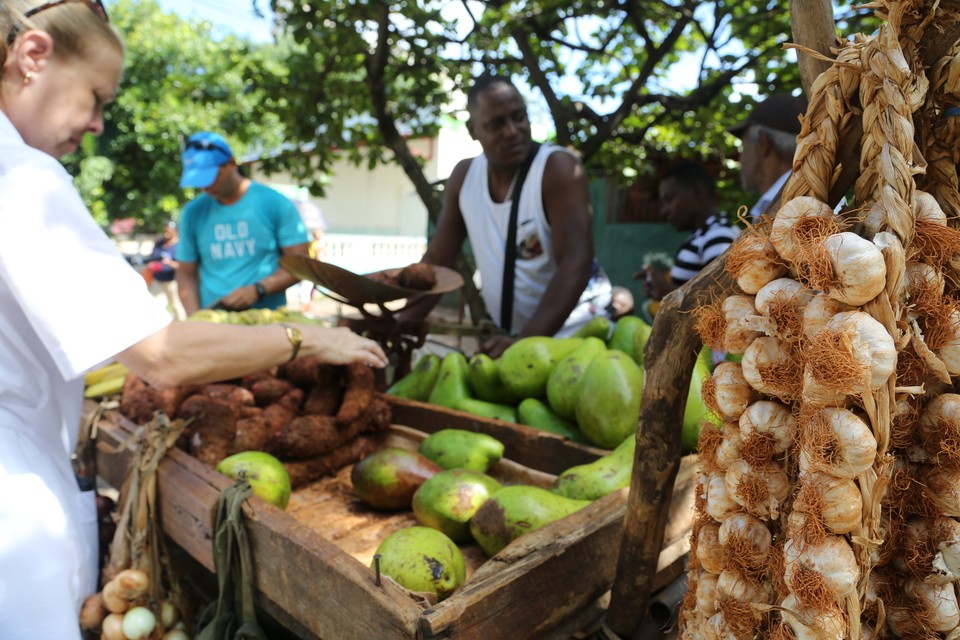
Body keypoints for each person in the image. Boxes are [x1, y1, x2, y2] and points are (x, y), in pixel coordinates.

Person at [0, 4, 387, 638]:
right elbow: (160, 353)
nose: (97, 125)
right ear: (33, 56)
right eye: (96, 97)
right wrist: (310, 337)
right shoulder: (22, 178)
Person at [407, 72, 612, 358]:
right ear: (473, 129)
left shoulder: (557, 170)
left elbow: (575, 263)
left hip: (578, 333)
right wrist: (401, 320)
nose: (512, 131)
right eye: (496, 124)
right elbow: (439, 262)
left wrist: (525, 340)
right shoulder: (464, 178)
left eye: (519, 117)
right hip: (520, 340)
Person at [176, 131, 311, 314]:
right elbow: (186, 273)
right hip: (216, 322)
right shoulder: (192, 213)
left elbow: (301, 264)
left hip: (268, 322)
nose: (205, 187)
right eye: (199, 181)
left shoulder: (274, 203)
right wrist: (195, 320)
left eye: (210, 178)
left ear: (231, 164)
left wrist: (258, 289)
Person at [639, 162, 740, 301]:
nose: (663, 211)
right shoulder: (704, 234)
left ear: (697, 192)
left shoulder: (718, 235)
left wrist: (668, 292)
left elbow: (723, 297)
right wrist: (662, 287)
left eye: (669, 199)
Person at [726, 93, 807, 221]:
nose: (739, 158)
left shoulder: (800, 208)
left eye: (744, 146)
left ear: (763, 144)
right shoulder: (813, 198)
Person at [291, 199, 329, 313]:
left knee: (308, 290)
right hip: (310, 268)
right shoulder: (314, 244)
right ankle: (304, 311)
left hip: (307, 267)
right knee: (306, 291)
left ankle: (306, 309)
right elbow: (317, 257)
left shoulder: (313, 243)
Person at [147, 220, 186, 320]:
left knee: (176, 305)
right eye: (165, 231)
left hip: (172, 280)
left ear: (175, 232)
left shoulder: (180, 245)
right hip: (159, 279)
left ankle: (182, 327)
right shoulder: (159, 242)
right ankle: (161, 327)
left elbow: (183, 266)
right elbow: (153, 256)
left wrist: (170, 263)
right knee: (158, 304)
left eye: (169, 231)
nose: (166, 234)